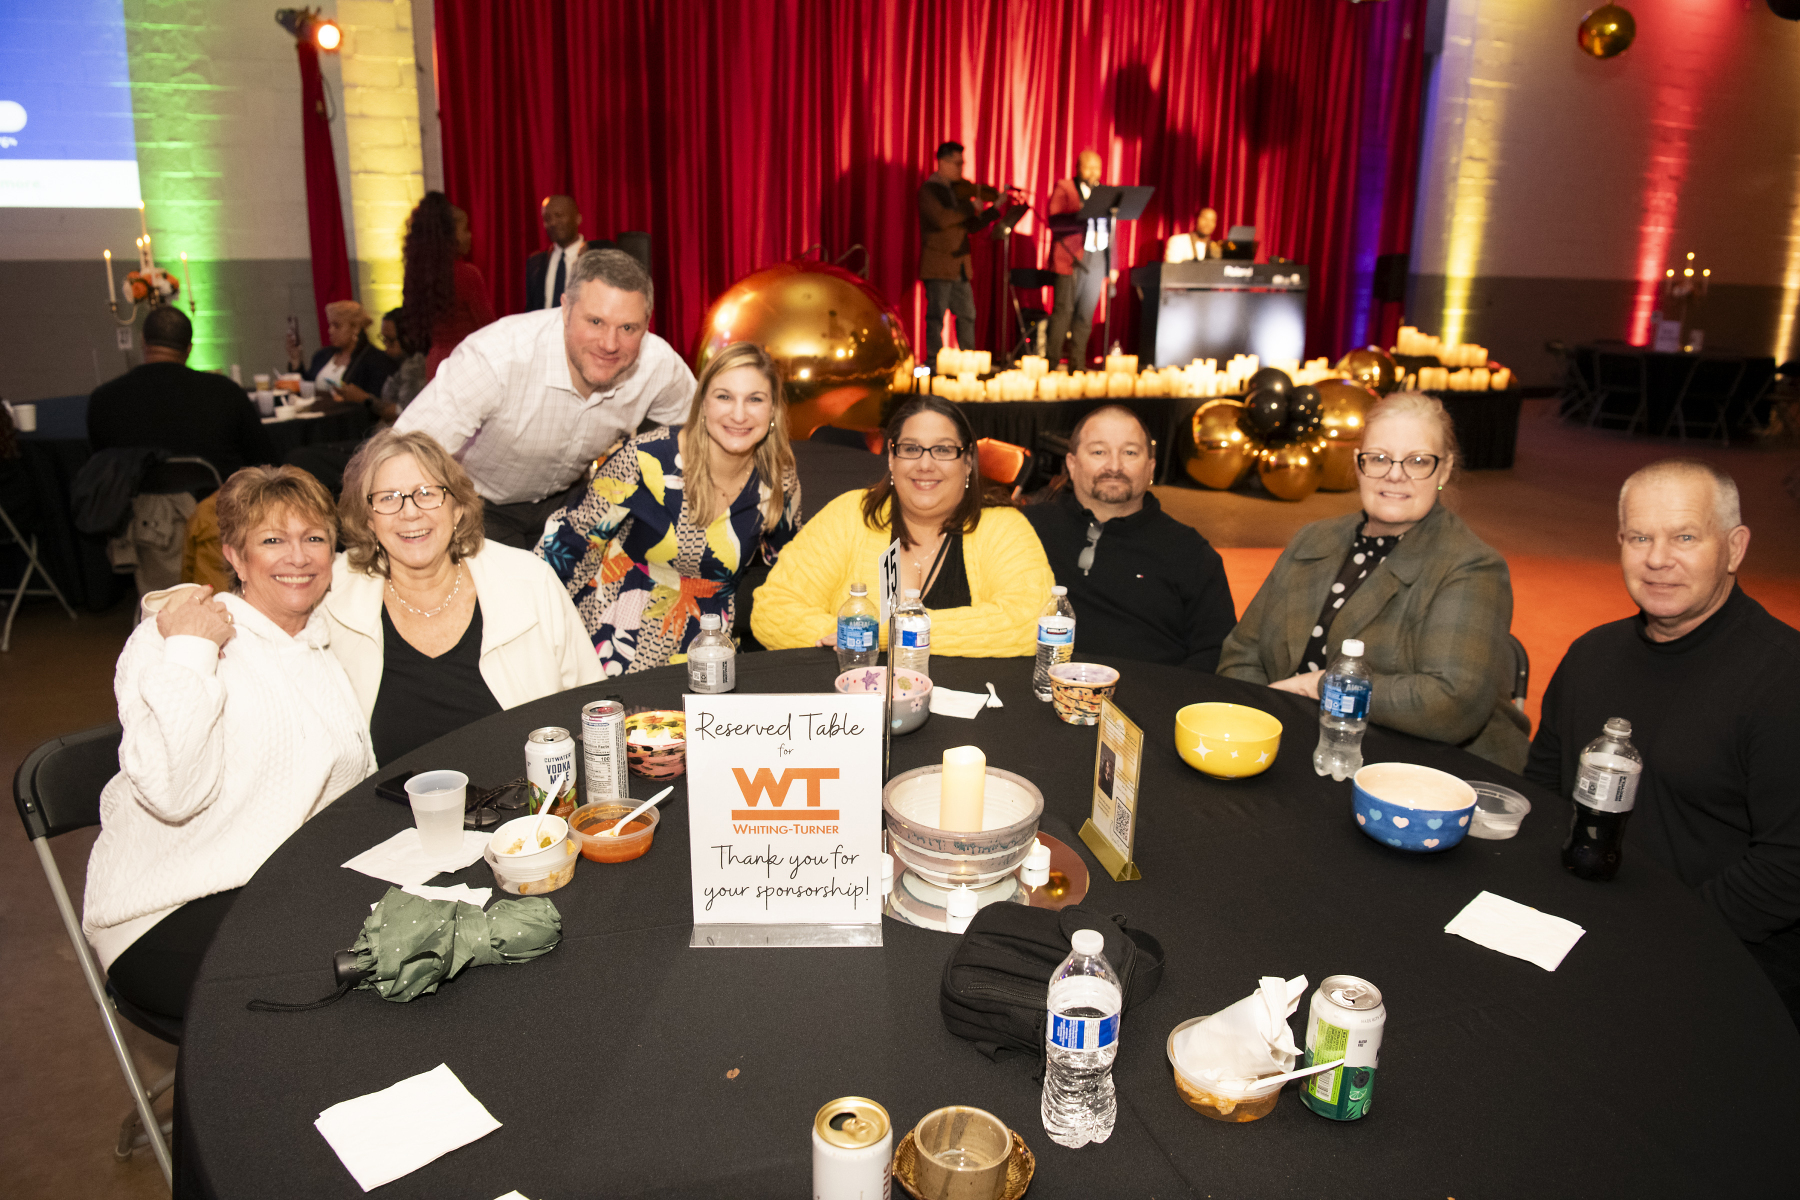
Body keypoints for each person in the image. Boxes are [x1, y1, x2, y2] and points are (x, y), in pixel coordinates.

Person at [82, 465, 375, 1020]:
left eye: (314, 538)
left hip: (280, 893)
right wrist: (192, 650)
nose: (298, 557)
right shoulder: (171, 636)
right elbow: (173, 794)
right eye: (273, 541)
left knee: (418, 942)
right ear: (235, 557)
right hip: (165, 910)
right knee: (357, 983)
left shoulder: (319, 647)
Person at [1525, 459, 1800, 1024]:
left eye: (1685, 537)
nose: (1657, 559)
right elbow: (1544, 790)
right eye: (1639, 537)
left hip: (1719, 962)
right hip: (1584, 929)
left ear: (1735, 548)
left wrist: (1660, 938)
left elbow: (1788, 864)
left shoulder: (1783, 678)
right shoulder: (1590, 655)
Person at [1217, 391, 1528, 769]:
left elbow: (1451, 703)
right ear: (1358, 464)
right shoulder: (1313, 539)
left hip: (1422, 772)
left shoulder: (1471, 566)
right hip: (1297, 751)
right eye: (1379, 458)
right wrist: (1260, 724)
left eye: (1417, 461)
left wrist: (1321, 686)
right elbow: (1242, 654)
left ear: (1444, 470)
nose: (1395, 474)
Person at [320, 429, 601, 766]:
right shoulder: (329, 594)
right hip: (387, 801)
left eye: (427, 493)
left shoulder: (529, 582)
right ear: (368, 520)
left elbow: (594, 710)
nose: (410, 512)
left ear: (457, 508)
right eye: (389, 498)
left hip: (531, 797)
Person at [396, 248, 695, 548]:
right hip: (481, 506)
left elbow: (700, 431)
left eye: (628, 328)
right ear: (565, 310)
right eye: (595, 322)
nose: (609, 344)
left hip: (572, 501)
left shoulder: (657, 363)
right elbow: (403, 454)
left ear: (646, 324)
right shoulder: (496, 357)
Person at [538, 341, 801, 675]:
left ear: (773, 409)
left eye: (755, 399)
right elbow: (572, 540)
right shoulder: (645, 458)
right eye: (724, 396)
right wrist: (533, 625)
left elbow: (791, 566)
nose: (739, 414)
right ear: (702, 403)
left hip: (710, 642)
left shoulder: (779, 477)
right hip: (619, 633)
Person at [752, 394, 1053, 657]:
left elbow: (1033, 623)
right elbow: (772, 610)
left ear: (968, 461)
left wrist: (886, 635)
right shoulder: (850, 515)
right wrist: (863, 638)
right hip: (856, 699)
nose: (925, 464)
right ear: (892, 459)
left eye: (943, 450)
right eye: (910, 449)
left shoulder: (1004, 528)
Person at [1023, 405, 1235, 670]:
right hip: (1035, 686)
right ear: (1072, 464)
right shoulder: (1026, 530)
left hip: (1152, 692)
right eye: (1099, 452)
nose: (1114, 466)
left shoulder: (1191, 552)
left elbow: (1217, 651)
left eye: (1130, 453)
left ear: (1151, 468)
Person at [88, 306, 277, 483]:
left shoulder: (103, 400)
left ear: (143, 342)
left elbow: (99, 472)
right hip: (214, 506)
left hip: (133, 506)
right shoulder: (226, 393)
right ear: (189, 348)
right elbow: (266, 464)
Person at [917, 141, 1009, 364]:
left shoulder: (958, 192)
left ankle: (969, 363)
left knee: (968, 315)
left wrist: (993, 210)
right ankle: (934, 363)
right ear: (942, 162)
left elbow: (970, 227)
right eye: (957, 163)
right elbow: (941, 219)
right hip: (938, 264)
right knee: (936, 317)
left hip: (960, 265)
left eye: (962, 163)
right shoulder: (929, 190)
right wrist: (969, 207)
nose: (961, 168)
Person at [400, 192, 495, 382]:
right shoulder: (466, 274)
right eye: (465, 230)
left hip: (436, 364)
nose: (470, 236)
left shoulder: (420, 276)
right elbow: (488, 328)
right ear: (449, 236)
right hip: (466, 362)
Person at [1045, 150, 1117, 370]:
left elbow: (1112, 231)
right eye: (1089, 167)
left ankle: (1077, 364)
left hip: (1097, 257)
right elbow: (1054, 221)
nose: (1094, 172)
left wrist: (1112, 265)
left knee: (1086, 314)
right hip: (1070, 257)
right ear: (1078, 168)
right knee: (1063, 312)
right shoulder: (1065, 188)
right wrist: (1084, 215)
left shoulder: (1105, 193)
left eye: (1098, 168)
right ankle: (1052, 362)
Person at [282, 299, 398, 404]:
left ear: (355, 328)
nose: (330, 331)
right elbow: (307, 388)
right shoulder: (322, 355)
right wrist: (295, 360)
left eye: (337, 326)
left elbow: (376, 401)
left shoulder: (374, 360)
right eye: (330, 325)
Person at [525, 194, 602, 312]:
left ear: (578, 219)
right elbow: (531, 310)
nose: (553, 223)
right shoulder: (535, 263)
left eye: (559, 215)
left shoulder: (598, 258)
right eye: (547, 218)